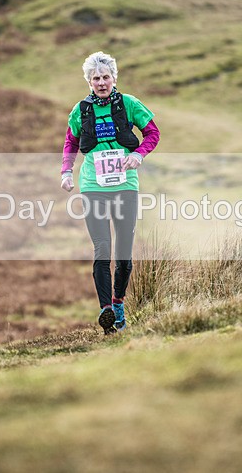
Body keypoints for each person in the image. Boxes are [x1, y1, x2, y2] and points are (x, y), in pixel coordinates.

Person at [61, 51, 160, 334]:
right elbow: (71, 141)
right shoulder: (81, 110)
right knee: (102, 249)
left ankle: (118, 303)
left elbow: (153, 132)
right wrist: (66, 171)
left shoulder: (129, 104)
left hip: (125, 187)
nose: (101, 82)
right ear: (89, 82)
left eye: (105, 77)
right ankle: (106, 313)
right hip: (93, 187)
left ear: (114, 78)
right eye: (96, 78)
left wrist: (139, 155)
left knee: (124, 254)